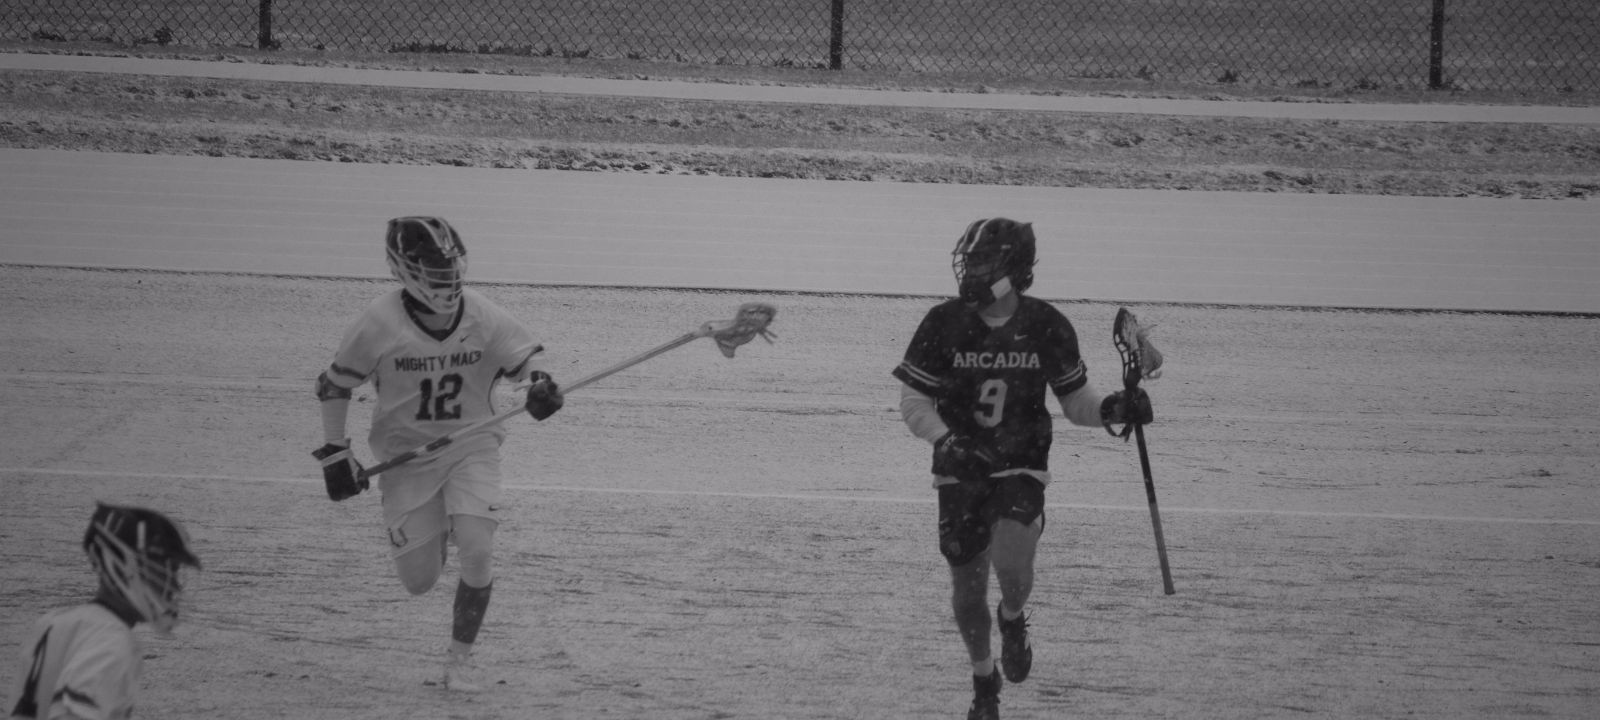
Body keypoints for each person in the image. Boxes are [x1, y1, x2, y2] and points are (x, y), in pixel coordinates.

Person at [891, 218, 1153, 720]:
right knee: (968, 590)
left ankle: (1012, 618)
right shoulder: (942, 322)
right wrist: (946, 441)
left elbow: (1075, 400)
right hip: (959, 469)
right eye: (969, 262)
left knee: (1011, 567)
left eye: (983, 262)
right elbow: (914, 400)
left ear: (1013, 267)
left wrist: (1114, 409)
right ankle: (984, 680)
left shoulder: (1046, 324)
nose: (972, 271)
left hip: (1021, 464)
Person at [311, 216, 565, 692]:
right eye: (433, 269)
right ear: (404, 270)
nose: (445, 278)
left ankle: (458, 663)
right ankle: (444, 523)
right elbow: (334, 384)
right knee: (419, 581)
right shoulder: (378, 322)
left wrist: (540, 385)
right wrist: (334, 451)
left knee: (478, 549)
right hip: (407, 457)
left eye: (449, 267)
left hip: (472, 444)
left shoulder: (480, 313)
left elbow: (527, 358)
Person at [7, 503, 202, 720]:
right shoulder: (112, 641)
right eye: (168, 569)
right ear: (125, 566)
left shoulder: (56, 621)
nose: (174, 585)